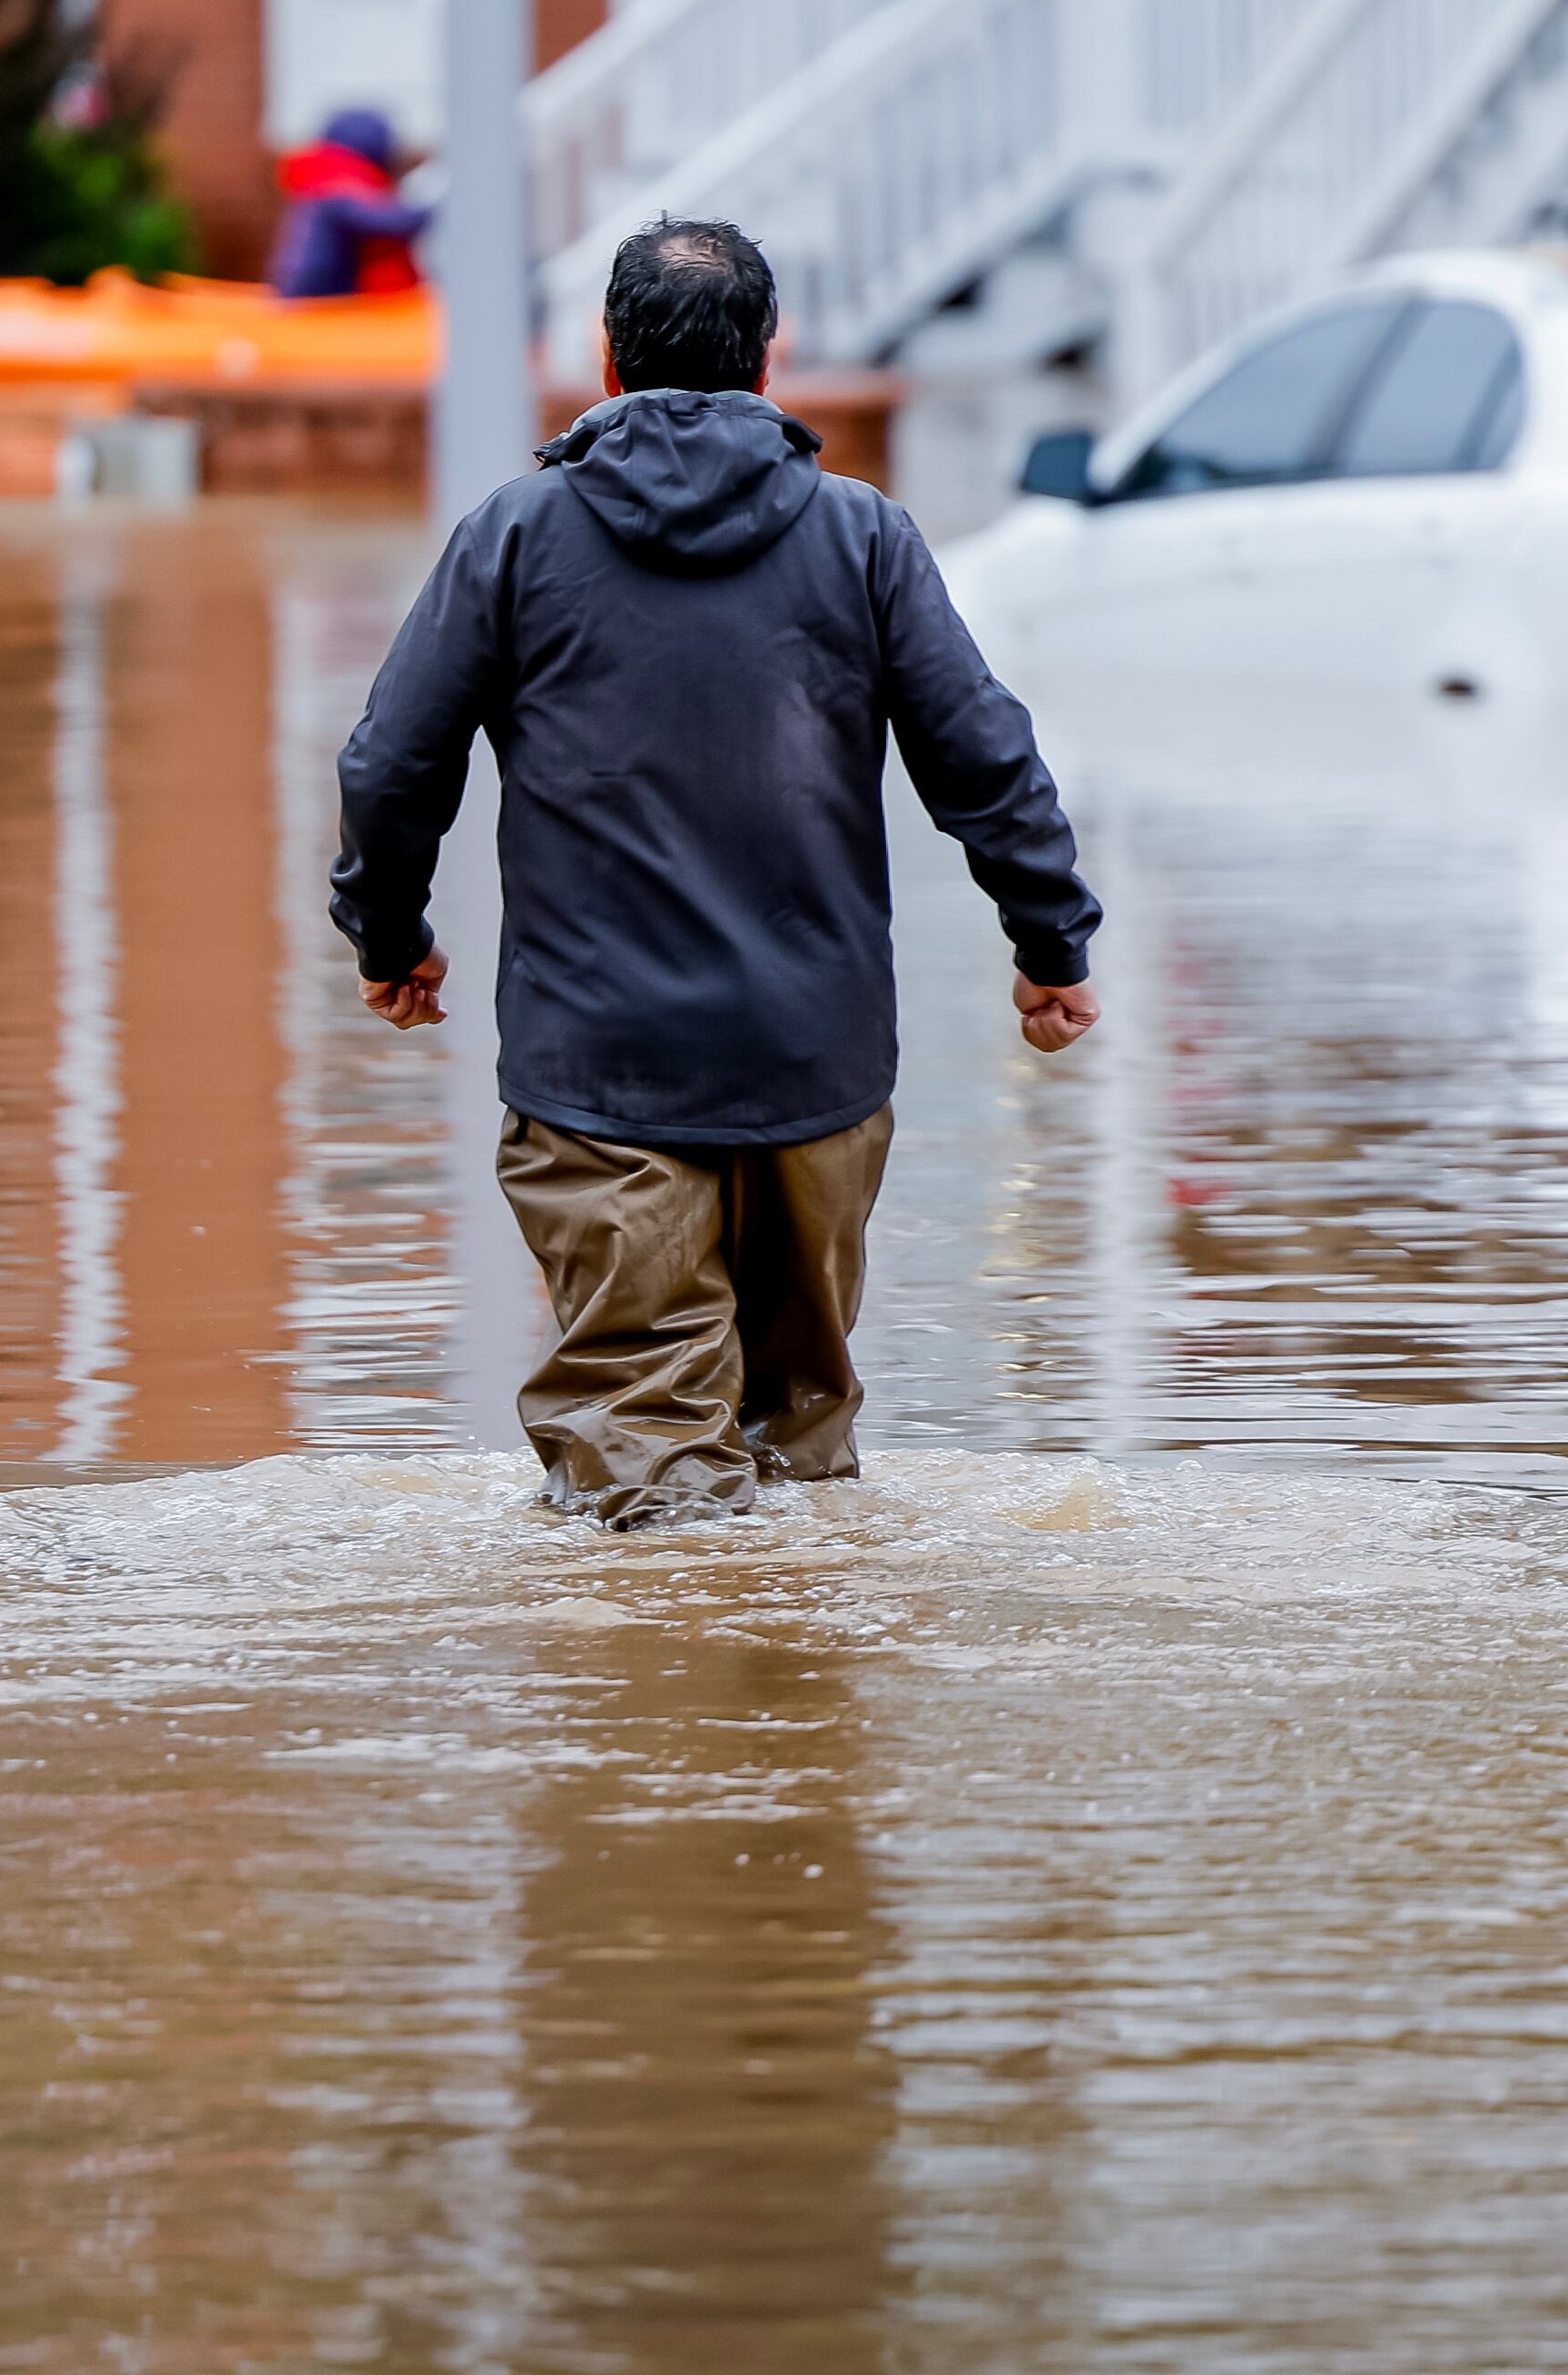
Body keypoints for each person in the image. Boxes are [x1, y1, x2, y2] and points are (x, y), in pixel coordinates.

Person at [329, 217, 1103, 1526]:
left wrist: (388, 935)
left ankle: (669, 1714)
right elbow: (985, 756)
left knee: (647, 1472)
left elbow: (392, 764)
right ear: (770, 358)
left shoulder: (517, 536)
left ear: (605, 361)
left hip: (601, 1074)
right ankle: (799, 1719)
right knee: (797, 1447)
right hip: (817, 1072)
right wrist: (1050, 946)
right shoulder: (864, 537)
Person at [267, 108, 431, 300]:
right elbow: (387, 221)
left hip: (310, 294)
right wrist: (430, 209)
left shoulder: (321, 177)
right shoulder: (339, 187)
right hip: (317, 300)